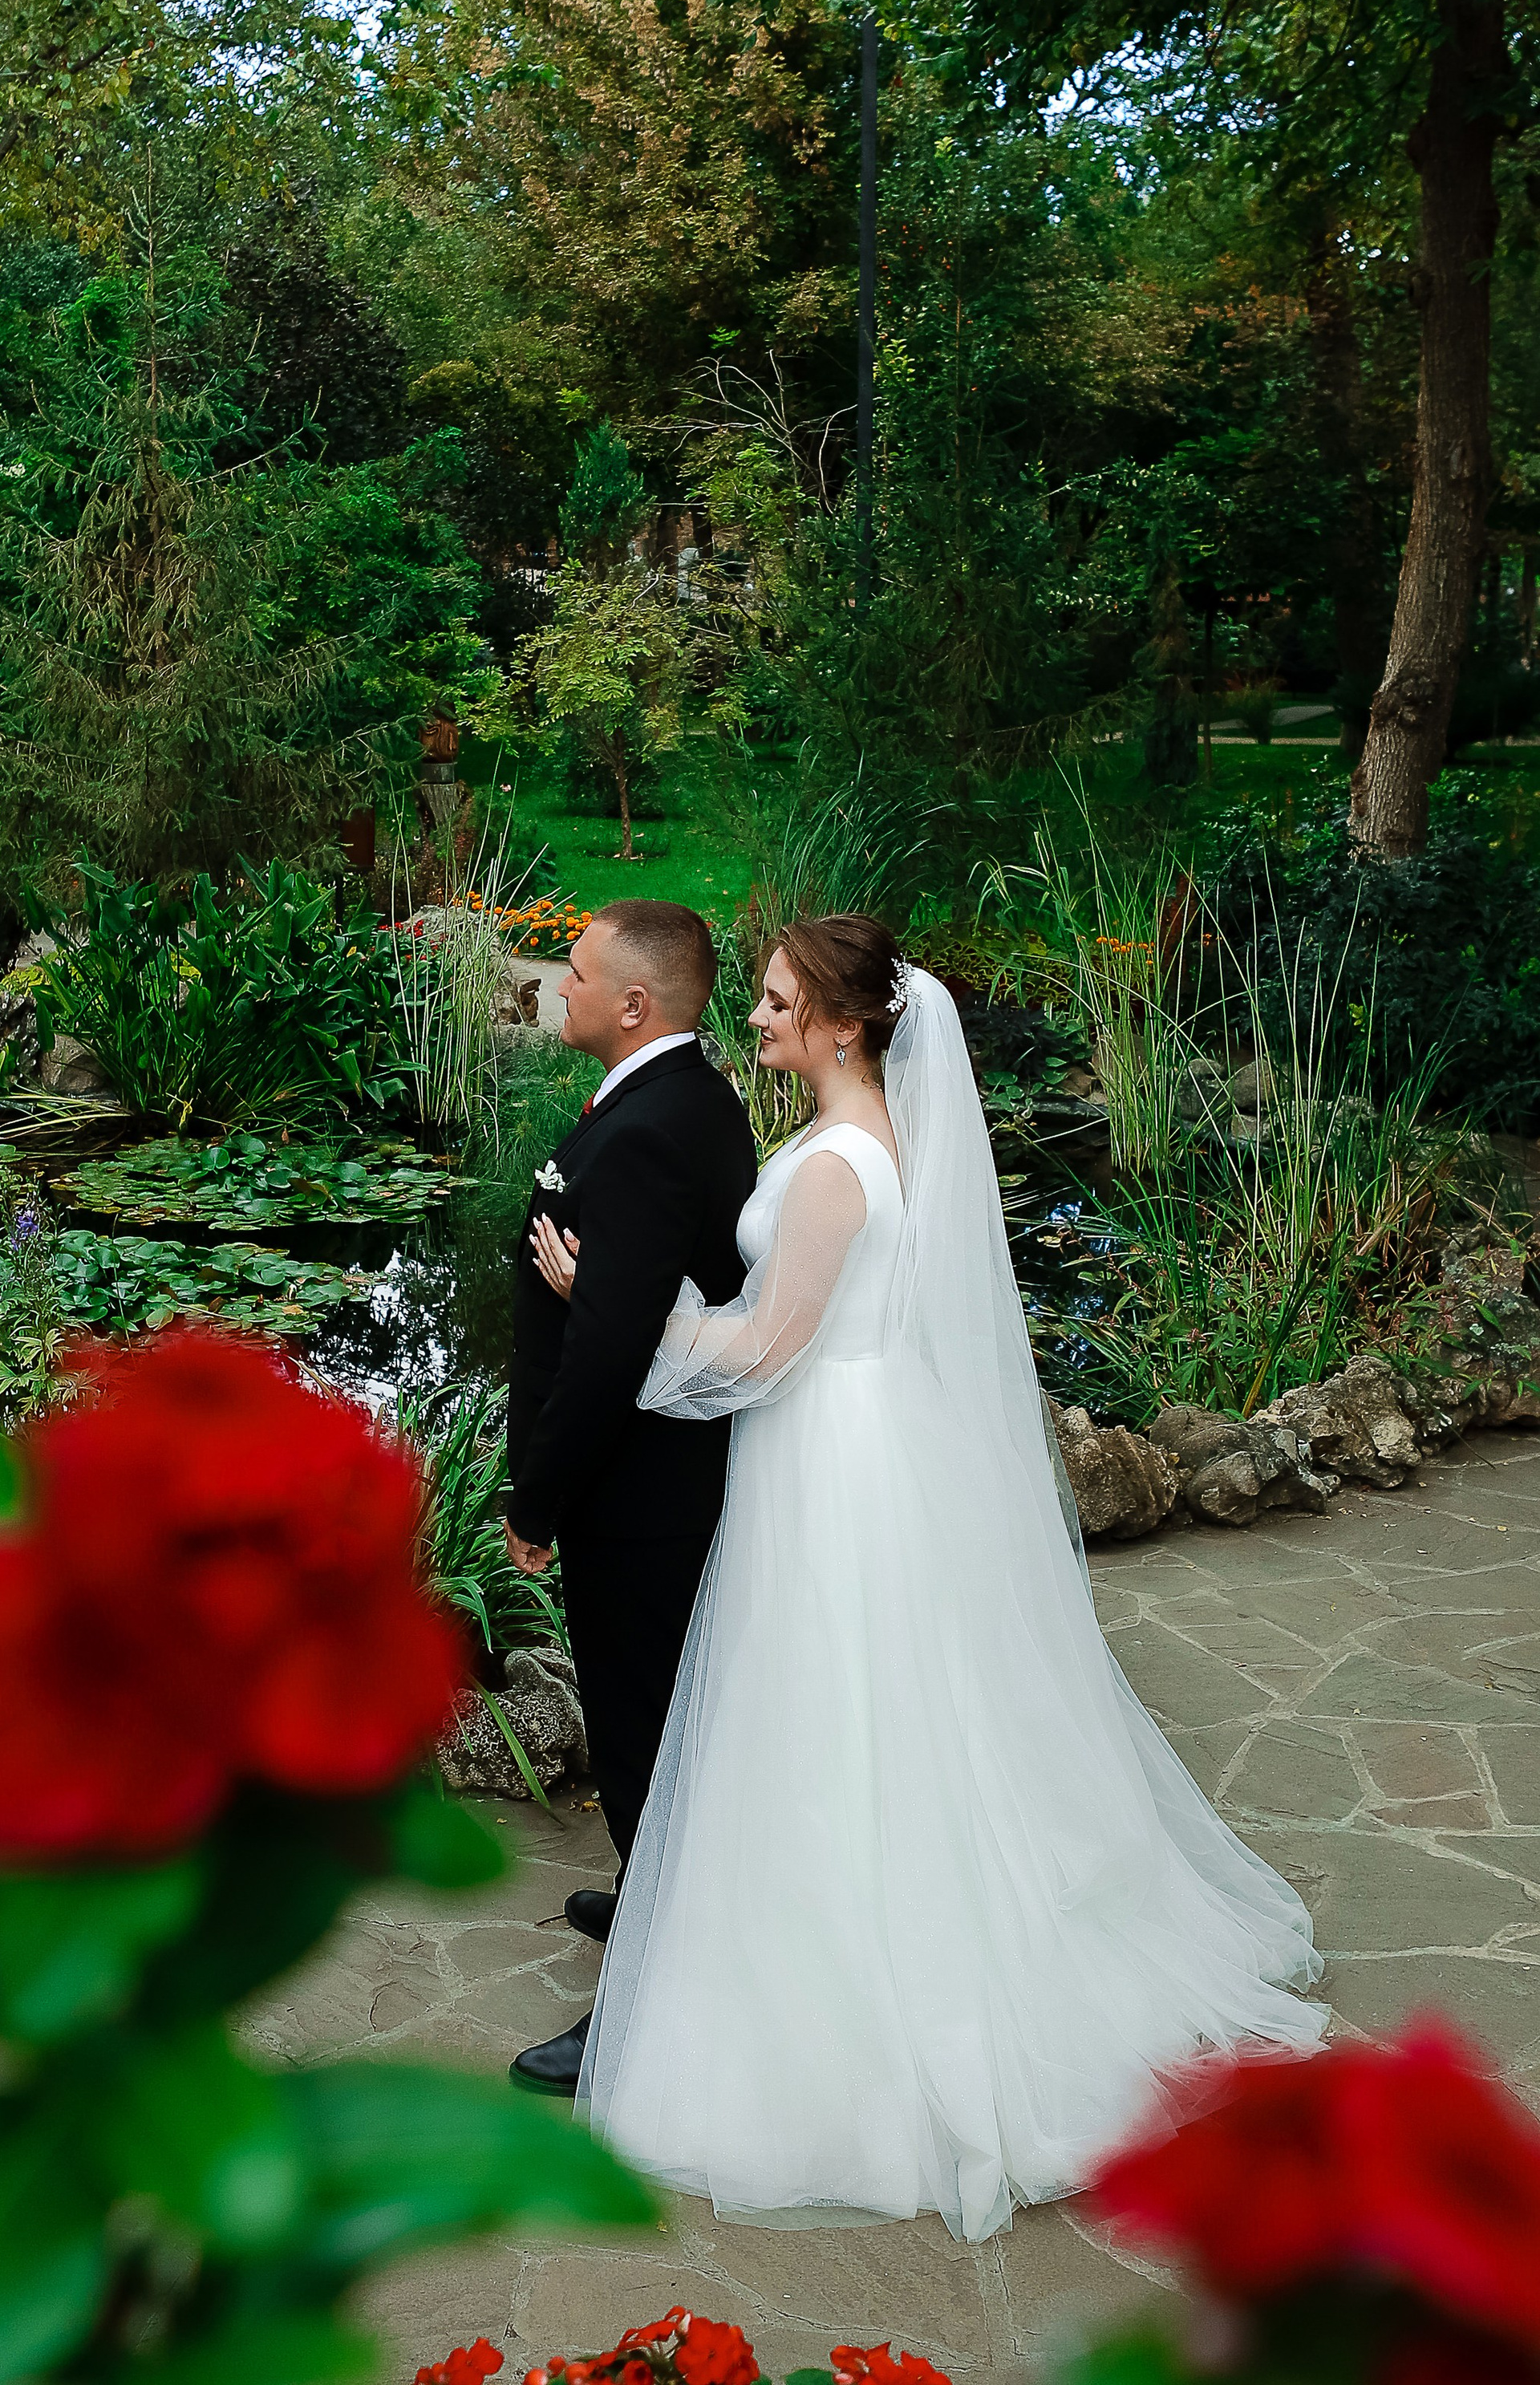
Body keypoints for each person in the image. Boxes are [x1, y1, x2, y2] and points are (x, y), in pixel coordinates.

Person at [528, 912, 1325, 2237]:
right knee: (869, 1707)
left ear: (846, 1026)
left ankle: (866, 1992)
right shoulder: (858, 1138)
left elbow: (768, 1349)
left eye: (780, 1001)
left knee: (840, 1705)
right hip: (854, 1436)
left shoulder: (839, 1166)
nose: (759, 1017)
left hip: (830, 1455)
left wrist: (611, 1302)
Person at [503, 898, 757, 2099]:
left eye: (578, 970)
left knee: (642, 1734)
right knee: (649, 1719)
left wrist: (538, 1499)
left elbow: (610, 1351)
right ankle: (655, 1890)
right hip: (657, 1479)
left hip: (636, 1493)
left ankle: (650, 1994)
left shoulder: (655, 1128)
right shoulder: (684, 1096)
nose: (563, 984)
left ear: (635, 1003)